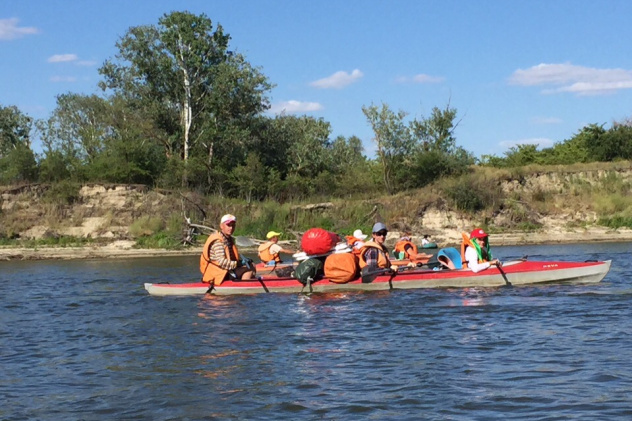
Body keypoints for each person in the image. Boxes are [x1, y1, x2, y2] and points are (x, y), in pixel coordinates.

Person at [199, 214, 255, 285]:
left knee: (252, 265)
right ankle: (244, 289)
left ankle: (245, 285)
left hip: (225, 271)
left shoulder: (228, 239)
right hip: (218, 274)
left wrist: (242, 262)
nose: (231, 228)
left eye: (233, 225)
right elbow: (221, 262)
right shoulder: (218, 241)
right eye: (228, 225)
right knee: (249, 269)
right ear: (221, 226)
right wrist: (238, 263)